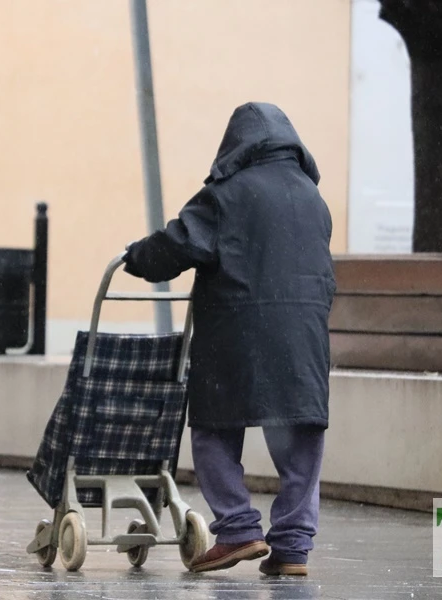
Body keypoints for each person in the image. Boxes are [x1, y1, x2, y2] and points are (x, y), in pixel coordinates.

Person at [122, 103, 335, 577]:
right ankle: (293, 548)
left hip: (236, 335)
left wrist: (135, 257)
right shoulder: (312, 198)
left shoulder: (225, 195)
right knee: (301, 436)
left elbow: (176, 245)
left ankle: (238, 529)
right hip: (305, 339)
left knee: (215, 429)